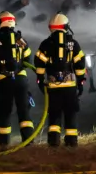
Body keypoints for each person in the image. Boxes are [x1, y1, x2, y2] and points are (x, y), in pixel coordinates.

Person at [34, 12, 86, 147]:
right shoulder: (73, 44)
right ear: (66, 26)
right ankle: (72, 143)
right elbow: (80, 65)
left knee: (54, 116)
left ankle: (54, 143)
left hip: (53, 87)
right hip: (70, 87)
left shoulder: (45, 44)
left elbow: (39, 64)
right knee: (70, 115)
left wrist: (40, 80)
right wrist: (81, 82)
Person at [0, 10, 34, 151]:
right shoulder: (21, 39)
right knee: (24, 111)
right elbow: (28, 59)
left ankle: (4, 145)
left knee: (5, 112)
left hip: (4, 79)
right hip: (21, 80)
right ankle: (29, 143)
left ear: (0, 24)